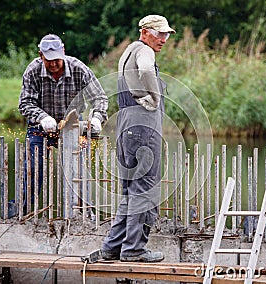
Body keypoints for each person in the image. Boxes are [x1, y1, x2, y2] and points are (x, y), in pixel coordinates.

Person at [101, 15, 175, 262]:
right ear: (144, 32)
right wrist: (153, 97)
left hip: (125, 126)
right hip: (143, 129)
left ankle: (112, 247)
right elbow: (145, 70)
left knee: (131, 191)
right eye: (159, 34)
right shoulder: (144, 52)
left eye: (166, 35)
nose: (163, 39)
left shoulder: (128, 51)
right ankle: (134, 249)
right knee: (144, 190)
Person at [18, 34, 108, 214]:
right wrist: (42, 117)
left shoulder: (78, 69)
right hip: (41, 128)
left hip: (73, 127)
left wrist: (98, 117)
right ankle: (25, 212)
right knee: (34, 171)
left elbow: (99, 97)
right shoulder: (33, 71)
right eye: (48, 60)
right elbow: (25, 103)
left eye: (56, 60)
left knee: (78, 173)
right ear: (40, 55)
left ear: (63, 52)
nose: (53, 64)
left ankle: (82, 214)